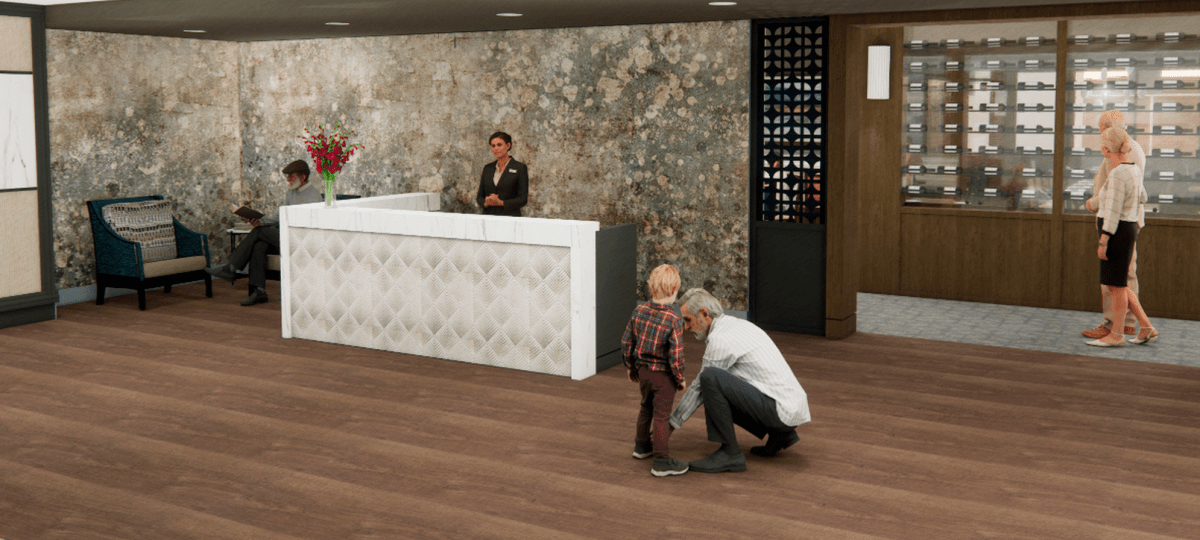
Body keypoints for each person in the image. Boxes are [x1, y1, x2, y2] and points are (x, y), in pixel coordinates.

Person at [669, 288, 811, 473]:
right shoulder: (737, 325)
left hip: (780, 410)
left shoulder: (720, 339)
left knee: (709, 379)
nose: (686, 327)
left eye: (687, 320)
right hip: (790, 407)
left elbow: (699, 388)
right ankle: (781, 435)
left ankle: (730, 453)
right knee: (720, 381)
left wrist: (671, 424)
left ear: (704, 314)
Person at [206, 160, 323, 306]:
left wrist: (265, 224)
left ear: (303, 177)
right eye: (287, 176)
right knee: (259, 245)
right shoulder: (291, 192)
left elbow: (303, 224)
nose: (287, 180)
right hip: (286, 237)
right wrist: (261, 220)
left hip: (300, 241)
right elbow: (280, 214)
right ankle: (259, 291)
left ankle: (231, 268)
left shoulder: (313, 196)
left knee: (259, 232)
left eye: (290, 176)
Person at [1085, 127, 1157, 347]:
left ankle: (1116, 335)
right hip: (1128, 230)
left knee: (1115, 286)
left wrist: (1103, 240)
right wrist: (1098, 202)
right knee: (1121, 284)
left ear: (1106, 149)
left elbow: (1114, 212)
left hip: (1116, 234)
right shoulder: (1132, 169)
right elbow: (1142, 196)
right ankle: (1146, 327)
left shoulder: (1117, 173)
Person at [622, 264, 688, 477]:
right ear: (675, 288)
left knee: (645, 407)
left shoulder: (639, 311)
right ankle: (661, 460)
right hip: (663, 377)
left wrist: (631, 367)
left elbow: (626, 343)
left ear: (650, 286)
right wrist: (680, 379)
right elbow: (675, 357)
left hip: (643, 372)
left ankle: (641, 447)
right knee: (662, 415)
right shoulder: (673, 320)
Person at [476, 131, 529, 216]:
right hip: (488, 217)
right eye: (493, 146)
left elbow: (523, 199)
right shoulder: (487, 168)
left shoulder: (520, 168)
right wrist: (486, 202)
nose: (496, 148)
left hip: (510, 217)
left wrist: (501, 202)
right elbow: (479, 197)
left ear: (508, 145)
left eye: (499, 145)